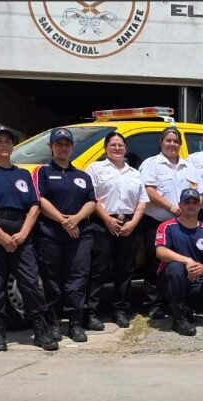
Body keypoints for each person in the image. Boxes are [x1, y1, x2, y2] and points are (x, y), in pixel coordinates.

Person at [0, 125, 58, 351]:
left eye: (8, 141)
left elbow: (34, 206)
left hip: (21, 232)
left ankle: (40, 332)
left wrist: (23, 234)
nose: (4, 144)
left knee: (30, 283)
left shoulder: (23, 174)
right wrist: (0, 235)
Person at [34, 127, 97, 342]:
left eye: (66, 144)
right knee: (51, 279)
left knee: (77, 278)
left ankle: (75, 323)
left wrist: (76, 220)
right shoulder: (42, 172)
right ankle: (53, 322)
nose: (63, 147)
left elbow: (91, 201)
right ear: (51, 147)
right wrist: (63, 221)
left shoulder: (81, 175)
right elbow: (39, 201)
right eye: (58, 144)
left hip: (80, 232)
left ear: (72, 147)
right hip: (51, 231)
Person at [139, 128, 203, 320]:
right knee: (155, 264)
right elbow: (148, 191)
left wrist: (190, 210)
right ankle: (154, 304)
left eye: (176, 141)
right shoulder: (151, 164)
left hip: (183, 225)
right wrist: (171, 206)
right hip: (157, 222)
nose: (172, 144)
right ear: (161, 142)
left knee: (179, 265)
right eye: (168, 140)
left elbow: (201, 193)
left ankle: (176, 302)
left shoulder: (189, 167)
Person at [85, 132, 148, 328]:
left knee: (125, 270)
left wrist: (133, 223)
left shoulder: (134, 173)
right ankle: (90, 312)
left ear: (125, 148)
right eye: (113, 145)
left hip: (128, 224)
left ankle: (120, 310)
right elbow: (91, 197)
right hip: (102, 223)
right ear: (105, 148)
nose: (117, 148)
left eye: (120, 145)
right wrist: (107, 220)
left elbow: (142, 201)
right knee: (98, 269)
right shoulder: (95, 168)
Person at [155, 188, 203, 336]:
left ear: (199, 205)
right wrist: (187, 261)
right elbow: (160, 252)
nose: (191, 205)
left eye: (195, 202)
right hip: (172, 278)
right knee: (176, 267)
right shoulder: (167, 226)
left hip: (197, 278)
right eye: (187, 202)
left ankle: (186, 307)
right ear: (180, 205)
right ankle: (179, 319)